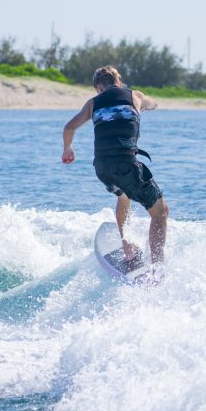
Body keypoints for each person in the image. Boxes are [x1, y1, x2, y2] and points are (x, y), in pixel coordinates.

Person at [62, 65, 170, 263]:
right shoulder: (134, 96)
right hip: (126, 164)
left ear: (98, 88)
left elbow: (69, 127)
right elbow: (153, 103)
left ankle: (126, 244)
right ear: (119, 81)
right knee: (160, 213)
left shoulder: (93, 103)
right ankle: (157, 269)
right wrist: (146, 105)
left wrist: (67, 150)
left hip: (102, 167)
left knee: (123, 196)